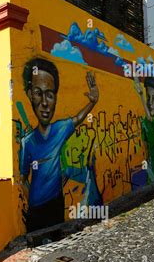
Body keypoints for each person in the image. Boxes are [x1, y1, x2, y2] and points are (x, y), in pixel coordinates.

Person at [19, 58, 99, 232]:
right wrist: (33, 200)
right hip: (36, 211)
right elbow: (22, 178)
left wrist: (92, 102)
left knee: (56, 245)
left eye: (50, 94)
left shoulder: (60, 129)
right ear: (29, 95)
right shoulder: (28, 143)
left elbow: (77, 119)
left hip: (56, 204)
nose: (45, 103)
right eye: (38, 93)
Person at [133, 75, 154, 183]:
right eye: (148, 98)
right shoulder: (147, 122)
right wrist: (141, 95)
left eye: (153, 98)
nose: (150, 103)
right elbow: (148, 117)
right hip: (152, 169)